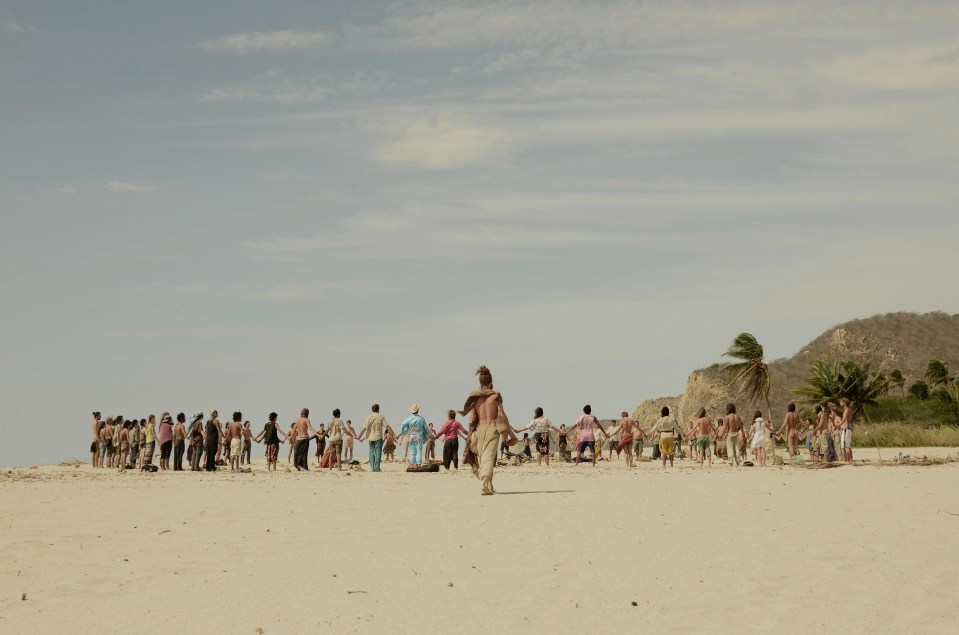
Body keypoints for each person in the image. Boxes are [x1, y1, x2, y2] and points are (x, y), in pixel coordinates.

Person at [460, 365, 510, 495]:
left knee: (484, 458)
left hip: (480, 430)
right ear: (491, 382)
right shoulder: (496, 396)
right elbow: (502, 415)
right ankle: (484, 485)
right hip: (493, 430)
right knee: (488, 458)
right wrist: (507, 432)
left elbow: (471, 419)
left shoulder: (474, 397)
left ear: (480, 382)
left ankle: (489, 485)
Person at [358, 404, 393, 472]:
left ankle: (373, 468)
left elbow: (364, 428)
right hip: (378, 437)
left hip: (370, 438)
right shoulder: (381, 417)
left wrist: (359, 435)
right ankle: (377, 468)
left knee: (371, 452)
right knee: (378, 453)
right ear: (378, 409)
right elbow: (387, 426)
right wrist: (393, 433)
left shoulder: (368, 417)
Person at [839, 398, 854, 462]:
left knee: (844, 446)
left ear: (844, 403)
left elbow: (844, 419)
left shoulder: (846, 410)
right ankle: (850, 460)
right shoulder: (849, 410)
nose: (840, 403)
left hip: (846, 429)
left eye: (841, 402)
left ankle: (846, 460)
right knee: (848, 446)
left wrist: (837, 425)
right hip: (848, 428)